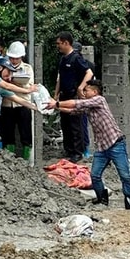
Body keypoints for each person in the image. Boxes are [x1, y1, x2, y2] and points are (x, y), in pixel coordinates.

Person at [44, 79, 130, 209]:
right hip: (102, 147)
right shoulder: (88, 106)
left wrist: (57, 103)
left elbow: (76, 104)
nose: (84, 92)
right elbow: (72, 110)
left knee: (125, 175)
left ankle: (129, 201)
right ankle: (102, 199)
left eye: (86, 90)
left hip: (115, 143)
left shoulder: (99, 100)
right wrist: (55, 106)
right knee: (95, 175)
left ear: (95, 91)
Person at [53, 31, 93, 163]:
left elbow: (89, 73)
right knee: (65, 125)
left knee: (75, 125)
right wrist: (56, 94)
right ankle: (69, 150)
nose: (57, 46)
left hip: (73, 96)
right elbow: (60, 78)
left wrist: (81, 87)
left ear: (66, 43)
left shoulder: (76, 58)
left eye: (59, 43)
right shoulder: (63, 59)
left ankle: (77, 152)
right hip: (64, 95)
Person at [0, 41, 34, 159]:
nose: (14, 61)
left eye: (16, 58)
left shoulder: (27, 68)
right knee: (7, 134)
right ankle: (8, 158)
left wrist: (14, 81)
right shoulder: (3, 68)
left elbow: (29, 86)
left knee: (26, 134)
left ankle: (26, 160)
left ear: (21, 57)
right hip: (7, 105)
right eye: (12, 58)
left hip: (23, 105)